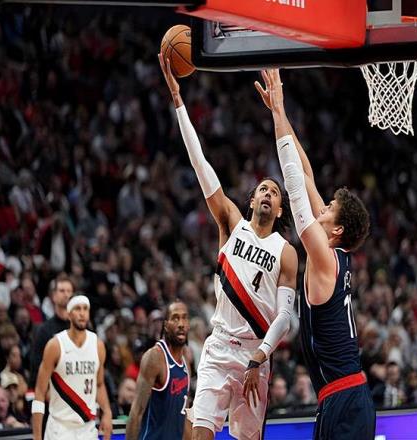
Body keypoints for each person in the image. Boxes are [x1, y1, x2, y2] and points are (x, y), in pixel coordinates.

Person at [158, 54, 298, 440]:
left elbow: (284, 317)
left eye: (274, 192)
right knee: (200, 434)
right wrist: (178, 100)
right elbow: (200, 164)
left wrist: (260, 356)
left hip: (256, 353)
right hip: (219, 348)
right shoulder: (232, 224)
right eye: (263, 189)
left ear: (280, 209)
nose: (267, 193)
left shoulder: (286, 251)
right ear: (252, 200)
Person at [257, 69, 375, 439]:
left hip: (345, 398)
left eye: (328, 210)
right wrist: (281, 113)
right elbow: (305, 174)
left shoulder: (326, 258)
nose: (322, 208)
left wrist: (278, 113)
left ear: (336, 230)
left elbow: (295, 191)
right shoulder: (333, 255)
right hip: (340, 397)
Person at [32, 295, 112, 440]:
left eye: (85, 309)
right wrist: (37, 436)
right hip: (60, 428)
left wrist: (107, 412)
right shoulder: (55, 345)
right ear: (69, 314)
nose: (82, 313)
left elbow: (99, 384)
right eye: (77, 309)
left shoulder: (98, 345)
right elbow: (40, 392)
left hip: (87, 428)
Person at [126, 300, 190, 440]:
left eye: (184, 318)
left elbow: (184, 414)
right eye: (175, 318)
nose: (181, 324)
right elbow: (136, 412)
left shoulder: (185, 363)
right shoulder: (155, 357)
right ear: (166, 325)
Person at [29, 274, 74, 388]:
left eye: (69, 291)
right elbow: (36, 367)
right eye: (62, 291)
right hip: (53, 389)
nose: (66, 294)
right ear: (54, 296)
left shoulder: (81, 328)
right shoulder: (44, 330)